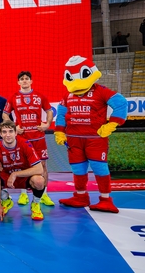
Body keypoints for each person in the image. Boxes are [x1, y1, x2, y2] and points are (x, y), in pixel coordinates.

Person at [55, 55, 128, 213]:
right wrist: (59, 132)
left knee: (100, 168)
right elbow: (61, 114)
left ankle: (105, 199)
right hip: (74, 140)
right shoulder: (67, 95)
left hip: (95, 139)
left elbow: (121, 103)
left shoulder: (101, 91)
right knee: (78, 169)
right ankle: (80, 196)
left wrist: (112, 124)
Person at [3, 71, 54, 207]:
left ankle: (44, 194)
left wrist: (47, 124)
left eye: (27, 78)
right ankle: (23, 194)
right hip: (22, 139)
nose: (24, 80)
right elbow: (5, 114)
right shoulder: (13, 97)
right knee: (23, 165)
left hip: (38, 138)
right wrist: (14, 127)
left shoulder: (40, 96)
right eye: (22, 79)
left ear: (31, 81)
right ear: (18, 82)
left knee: (43, 166)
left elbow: (49, 111)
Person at [0, 121, 46, 222]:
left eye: (10, 131)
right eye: (4, 132)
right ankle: (6, 200)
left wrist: (15, 174)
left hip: (24, 177)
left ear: (16, 133)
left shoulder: (25, 144)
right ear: (0, 134)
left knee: (39, 180)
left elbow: (39, 169)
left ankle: (35, 204)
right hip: (7, 177)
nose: (8, 135)